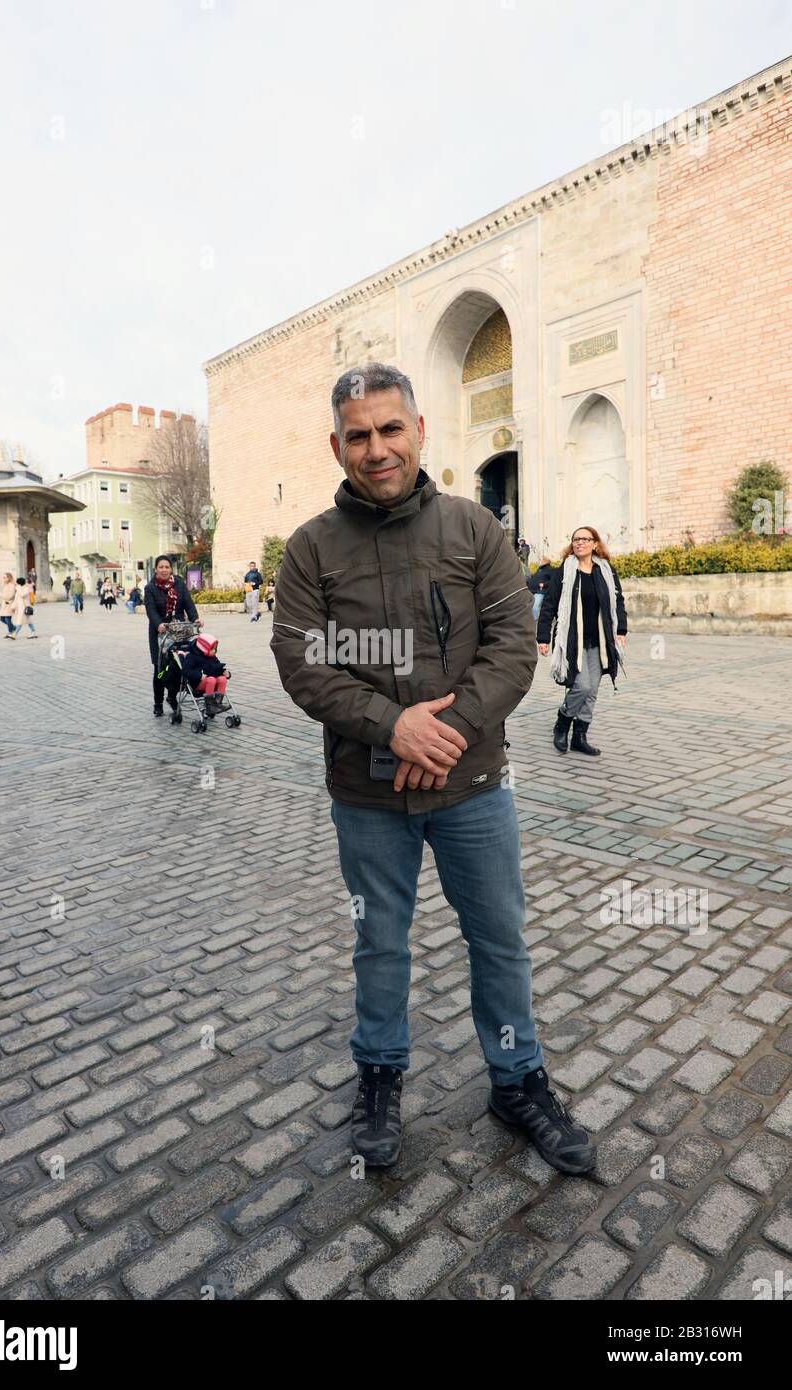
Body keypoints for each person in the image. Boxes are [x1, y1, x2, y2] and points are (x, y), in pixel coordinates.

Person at [271, 361, 595, 1176]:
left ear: (419, 429)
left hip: (474, 785)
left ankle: (517, 1081)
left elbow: (514, 645)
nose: (376, 449)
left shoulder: (473, 529)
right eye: (358, 435)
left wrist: (439, 733)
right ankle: (379, 1078)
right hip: (365, 794)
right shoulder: (311, 548)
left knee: (500, 941)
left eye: (390, 429)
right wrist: (391, 727)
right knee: (379, 942)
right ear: (336, 445)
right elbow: (303, 663)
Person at [536, 525, 628, 756]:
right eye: (576, 539)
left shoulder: (605, 570)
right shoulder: (564, 572)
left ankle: (579, 736)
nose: (580, 543)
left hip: (600, 640)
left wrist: (621, 630)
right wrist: (543, 636)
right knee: (582, 686)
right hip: (573, 640)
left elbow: (618, 601)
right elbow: (549, 605)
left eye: (585, 539)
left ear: (595, 544)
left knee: (592, 691)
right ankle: (562, 722)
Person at [144, 555, 199, 717]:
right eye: (161, 567)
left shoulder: (179, 584)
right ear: (156, 569)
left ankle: (172, 697)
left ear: (171, 569)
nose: (164, 570)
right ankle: (158, 703)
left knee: (179, 666)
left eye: (167, 567)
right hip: (159, 633)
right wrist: (158, 624)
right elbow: (151, 609)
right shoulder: (150, 588)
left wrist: (195, 618)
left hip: (179, 632)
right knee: (160, 669)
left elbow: (188, 603)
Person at [527, 554, 554, 622]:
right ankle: (531, 619)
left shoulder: (550, 570)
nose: (540, 561)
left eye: (541, 560)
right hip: (532, 590)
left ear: (545, 561)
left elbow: (553, 581)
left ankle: (534, 620)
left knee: (535, 607)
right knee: (529, 606)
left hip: (541, 591)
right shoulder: (539, 569)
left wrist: (544, 584)